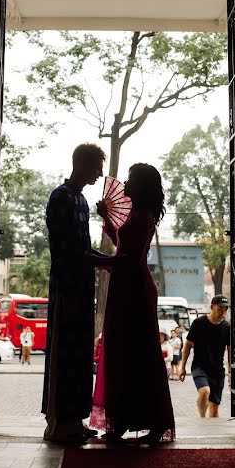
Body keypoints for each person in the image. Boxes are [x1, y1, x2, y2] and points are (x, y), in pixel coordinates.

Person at [88, 163, 176, 444]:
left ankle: (152, 421)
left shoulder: (143, 216)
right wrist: (109, 223)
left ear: (141, 186)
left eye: (130, 179)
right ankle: (125, 419)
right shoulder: (139, 215)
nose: (124, 183)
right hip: (127, 286)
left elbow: (130, 259)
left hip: (134, 289)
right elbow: (124, 247)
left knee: (138, 354)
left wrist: (97, 261)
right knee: (124, 352)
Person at [42, 143, 106, 443]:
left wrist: (103, 262)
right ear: (81, 164)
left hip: (82, 287)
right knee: (63, 356)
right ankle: (58, 422)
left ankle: (76, 420)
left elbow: (80, 248)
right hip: (68, 286)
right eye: (97, 167)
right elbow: (62, 250)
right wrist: (67, 290)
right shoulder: (61, 197)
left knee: (79, 356)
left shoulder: (80, 200)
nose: (100, 174)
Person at [179, 295, 231, 419]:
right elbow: (187, 345)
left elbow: (230, 351)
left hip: (217, 370)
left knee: (214, 411)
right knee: (204, 392)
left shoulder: (227, 327)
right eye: (220, 308)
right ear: (212, 307)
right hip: (199, 366)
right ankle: (202, 418)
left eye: (225, 309)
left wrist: (231, 372)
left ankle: (210, 430)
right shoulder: (199, 323)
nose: (223, 312)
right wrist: (182, 367)